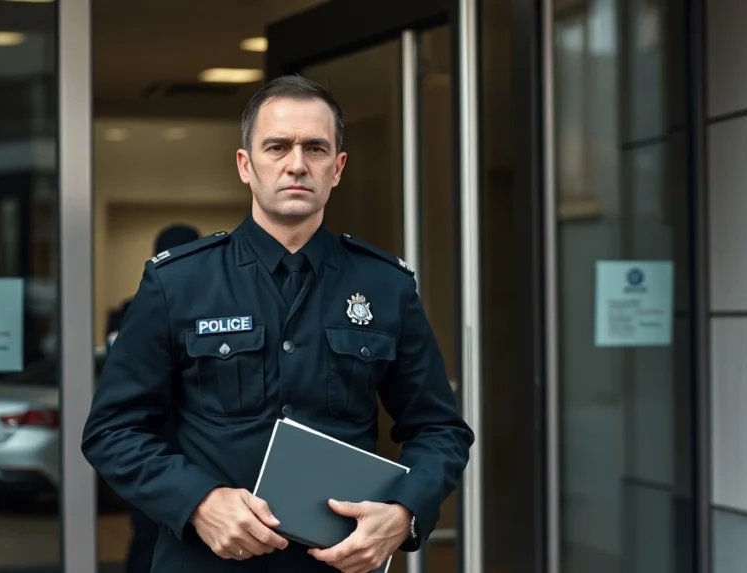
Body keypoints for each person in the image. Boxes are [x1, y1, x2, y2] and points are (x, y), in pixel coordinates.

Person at [82, 75, 474, 573]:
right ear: (246, 165)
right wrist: (198, 502)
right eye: (277, 146)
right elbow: (111, 430)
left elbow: (440, 429)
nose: (296, 164)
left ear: (338, 168)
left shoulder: (385, 287)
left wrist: (405, 512)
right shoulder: (177, 282)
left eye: (315, 148)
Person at [103, 223, 201, 573]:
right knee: (147, 538)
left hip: (199, 454)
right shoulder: (134, 310)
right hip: (153, 446)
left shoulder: (217, 305)